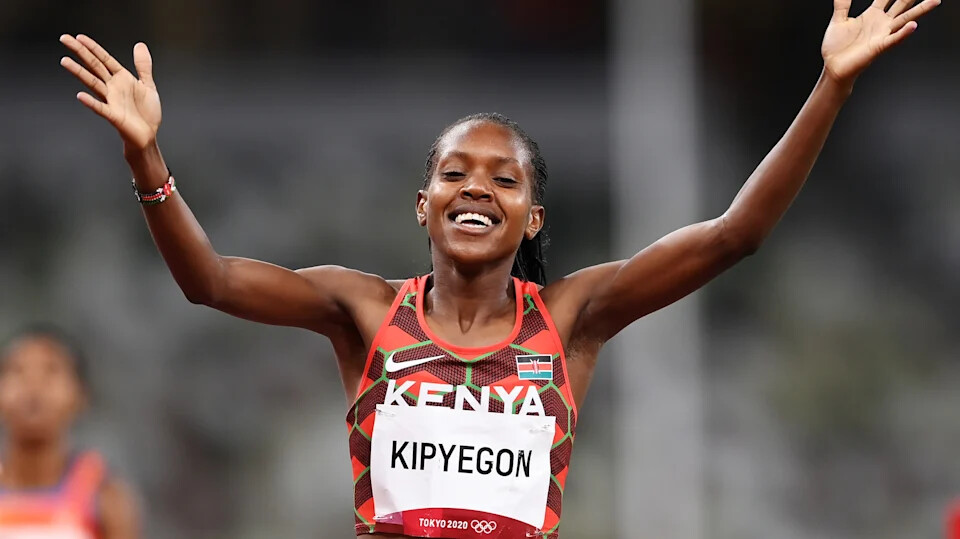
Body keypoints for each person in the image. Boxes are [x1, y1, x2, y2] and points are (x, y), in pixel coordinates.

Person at [57, 0, 941, 536]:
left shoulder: (571, 319)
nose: (476, 187)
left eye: (503, 178)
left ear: (532, 216)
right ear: (423, 204)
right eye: (455, 173)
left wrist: (830, 85)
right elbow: (209, 280)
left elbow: (732, 235)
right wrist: (146, 159)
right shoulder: (362, 310)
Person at [0, 325, 140, 538]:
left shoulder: (104, 496)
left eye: (52, 371)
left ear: (80, 395)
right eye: (17, 371)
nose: (33, 386)